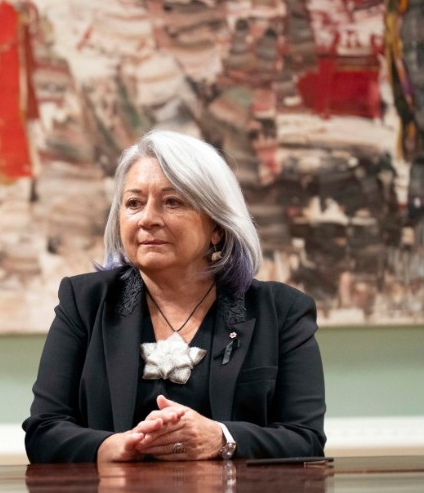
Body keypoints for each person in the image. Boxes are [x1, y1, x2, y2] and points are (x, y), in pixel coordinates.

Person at [23, 130, 326, 463]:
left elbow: (305, 439)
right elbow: (44, 432)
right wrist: (116, 447)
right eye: (134, 203)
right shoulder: (84, 303)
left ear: (217, 226)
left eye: (172, 202)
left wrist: (222, 439)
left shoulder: (283, 313)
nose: (148, 219)